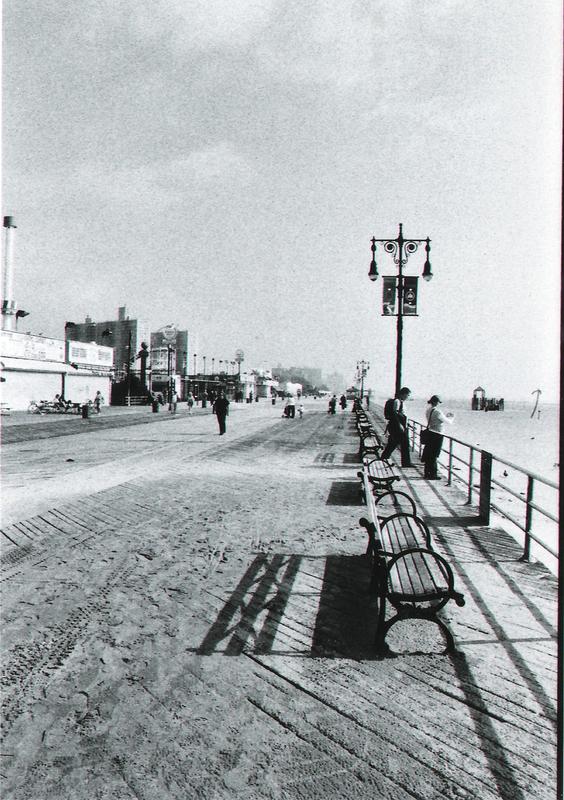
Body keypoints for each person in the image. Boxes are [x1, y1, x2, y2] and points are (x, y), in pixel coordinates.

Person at [421, 395, 454, 479]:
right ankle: (433, 474)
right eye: (439, 402)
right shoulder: (437, 412)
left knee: (429, 454)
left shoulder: (428, 410)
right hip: (437, 434)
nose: (439, 404)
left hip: (430, 432)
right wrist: (451, 417)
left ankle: (427, 473)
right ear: (436, 402)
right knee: (434, 454)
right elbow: (448, 422)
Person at [380, 387, 412, 467]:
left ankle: (384, 457)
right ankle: (406, 463)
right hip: (398, 427)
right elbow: (395, 414)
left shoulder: (400, 401)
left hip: (398, 426)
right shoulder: (397, 401)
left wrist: (407, 424)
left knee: (393, 443)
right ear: (403, 394)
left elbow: (401, 414)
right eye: (407, 395)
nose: (407, 397)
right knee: (404, 444)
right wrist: (400, 425)